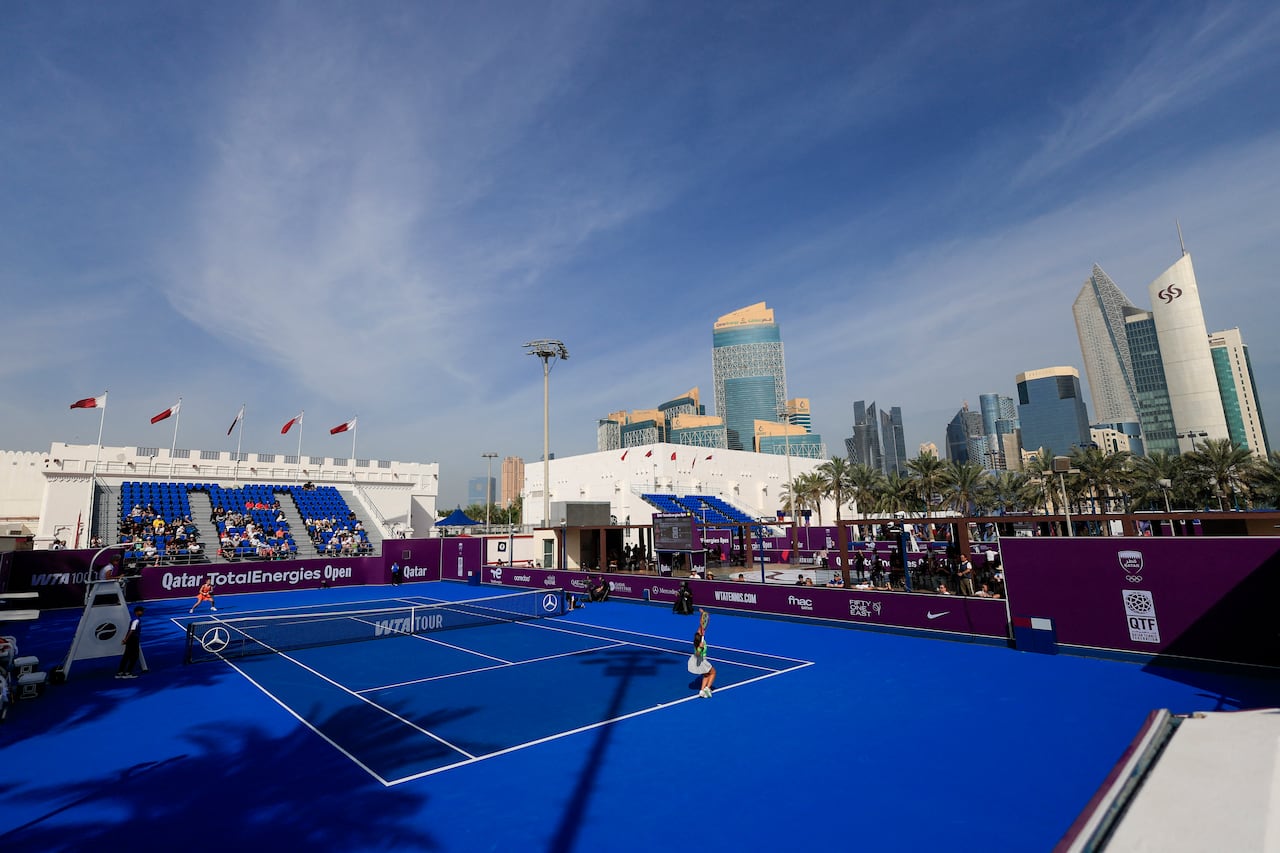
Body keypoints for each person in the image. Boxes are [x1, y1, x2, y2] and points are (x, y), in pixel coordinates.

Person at [688, 609, 716, 698]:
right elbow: (697, 654)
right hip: (701, 661)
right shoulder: (699, 645)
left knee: (706, 674)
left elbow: (701, 625)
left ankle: (701, 690)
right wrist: (700, 648)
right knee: (713, 673)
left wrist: (702, 614)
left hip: (699, 661)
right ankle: (707, 688)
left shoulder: (696, 638)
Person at [116, 606, 145, 679]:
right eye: (141, 611)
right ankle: (128, 673)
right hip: (133, 639)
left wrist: (126, 639)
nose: (142, 612)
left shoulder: (135, 620)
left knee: (126, 656)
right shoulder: (136, 620)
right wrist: (126, 639)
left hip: (131, 639)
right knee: (134, 656)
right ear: (136, 612)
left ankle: (120, 672)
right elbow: (132, 631)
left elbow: (130, 630)